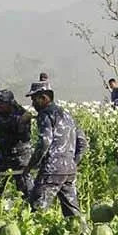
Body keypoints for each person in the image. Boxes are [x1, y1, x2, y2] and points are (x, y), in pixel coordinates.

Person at [24, 81, 89, 218]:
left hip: (51, 170)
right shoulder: (67, 115)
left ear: (44, 98)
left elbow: (44, 142)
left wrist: (30, 166)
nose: (33, 104)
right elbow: (83, 143)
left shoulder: (45, 114)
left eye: (34, 99)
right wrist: (72, 163)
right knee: (73, 214)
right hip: (69, 170)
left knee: (36, 211)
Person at [0, 89, 34, 197]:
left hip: (20, 153)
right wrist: (20, 120)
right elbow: (3, 123)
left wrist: (24, 120)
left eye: (3, 103)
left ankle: (30, 206)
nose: (0, 105)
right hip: (4, 153)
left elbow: (24, 135)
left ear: (10, 103)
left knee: (25, 184)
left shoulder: (20, 111)